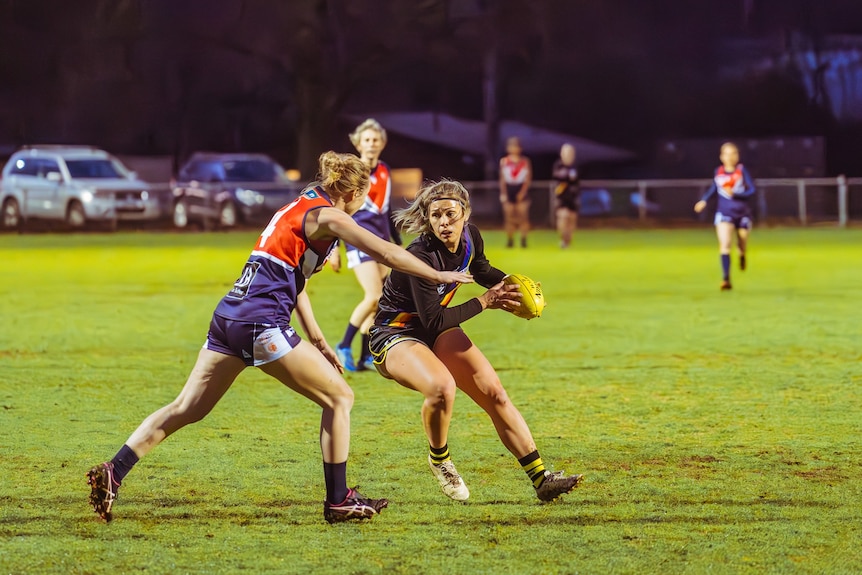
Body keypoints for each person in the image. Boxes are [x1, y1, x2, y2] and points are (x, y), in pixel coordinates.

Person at [86, 152, 473, 525]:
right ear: (353, 193)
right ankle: (338, 500)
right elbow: (385, 251)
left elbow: (296, 283)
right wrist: (438, 276)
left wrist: (319, 340)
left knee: (187, 407)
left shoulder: (298, 207)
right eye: (365, 195)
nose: (365, 202)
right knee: (340, 397)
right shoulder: (329, 215)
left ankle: (114, 470)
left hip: (230, 315)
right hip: (260, 322)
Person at [368, 180, 583, 503]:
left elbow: (480, 269)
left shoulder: (471, 237)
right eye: (436, 215)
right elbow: (434, 320)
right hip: (396, 332)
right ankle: (440, 460)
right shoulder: (421, 256)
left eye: (451, 214)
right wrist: (486, 302)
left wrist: (512, 286)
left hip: (434, 326)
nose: (444, 222)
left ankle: (542, 479)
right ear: (428, 218)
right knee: (442, 388)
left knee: (493, 391)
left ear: (465, 214)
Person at [330, 119, 401, 372]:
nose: (371, 144)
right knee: (375, 295)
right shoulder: (352, 172)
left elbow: (386, 209)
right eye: (367, 140)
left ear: (382, 143)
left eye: (376, 140)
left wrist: (398, 241)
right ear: (358, 143)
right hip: (358, 240)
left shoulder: (384, 170)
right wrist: (333, 250)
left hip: (382, 243)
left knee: (379, 302)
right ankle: (344, 345)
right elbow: (337, 210)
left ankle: (365, 357)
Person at [693, 142, 755, 290]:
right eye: (726, 154)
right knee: (725, 244)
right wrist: (704, 200)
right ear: (721, 157)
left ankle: (742, 254)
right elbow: (714, 188)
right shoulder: (718, 172)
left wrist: (736, 194)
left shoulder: (741, 171)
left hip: (742, 213)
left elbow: (752, 190)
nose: (730, 157)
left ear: (737, 156)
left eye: (733, 153)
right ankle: (726, 279)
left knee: (742, 243)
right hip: (724, 213)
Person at [498, 136, 533, 248]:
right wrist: (503, 193)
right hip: (509, 189)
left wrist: (522, 192)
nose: (513, 148)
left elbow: (528, 179)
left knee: (523, 216)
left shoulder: (525, 161)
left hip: (520, 188)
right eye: (511, 146)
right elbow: (502, 179)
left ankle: (523, 239)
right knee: (509, 217)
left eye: (516, 146)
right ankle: (510, 239)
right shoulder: (504, 161)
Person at [551, 143, 580, 249]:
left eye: (571, 153)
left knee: (572, 219)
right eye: (566, 153)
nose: (569, 155)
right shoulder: (558, 165)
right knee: (563, 217)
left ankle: (568, 242)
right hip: (562, 197)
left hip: (573, 197)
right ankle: (563, 240)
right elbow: (558, 177)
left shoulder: (575, 166)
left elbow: (576, 181)